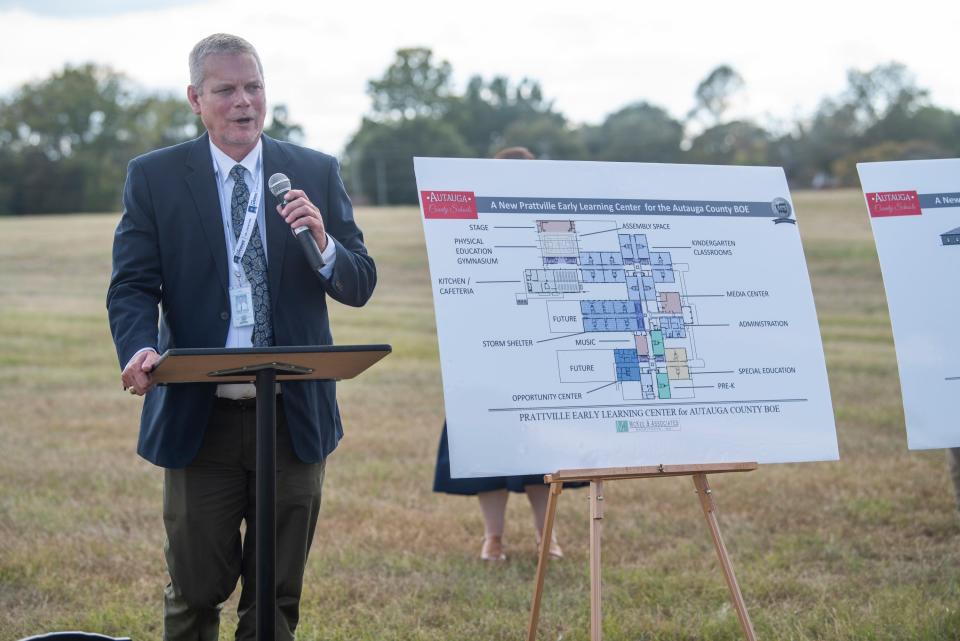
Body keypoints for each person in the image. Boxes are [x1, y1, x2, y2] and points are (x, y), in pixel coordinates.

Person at [106, 33, 376, 641]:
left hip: (292, 417)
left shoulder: (312, 171)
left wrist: (325, 244)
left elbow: (359, 284)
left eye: (253, 86)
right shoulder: (155, 177)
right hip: (201, 418)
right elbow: (130, 287)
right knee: (196, 589)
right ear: (195, 99)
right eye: (225, 90)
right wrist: (137, 347)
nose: (243, 102)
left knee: (276, 596)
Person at [432, 145, 584, 562]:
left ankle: (545, 536)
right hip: (484, 350)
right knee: (486, 446)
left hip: (539, 349)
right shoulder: (471, 223)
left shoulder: (555, 224)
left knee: (541, 451)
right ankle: (493, 538)